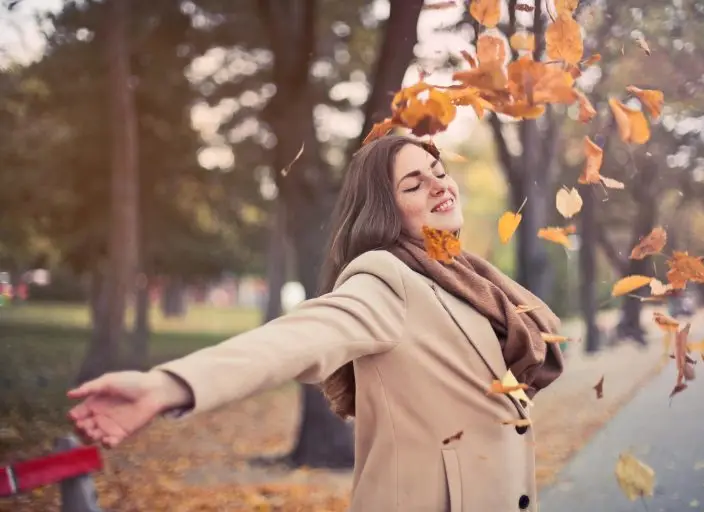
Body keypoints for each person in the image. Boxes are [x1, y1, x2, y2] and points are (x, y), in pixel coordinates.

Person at [67, 135, 565, 511]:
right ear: (387, 212)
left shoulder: (469, 279)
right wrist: (168, 385)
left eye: (438, 171)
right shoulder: (387, 276)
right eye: (414, 183)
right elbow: (297, 339)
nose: (438, 185)